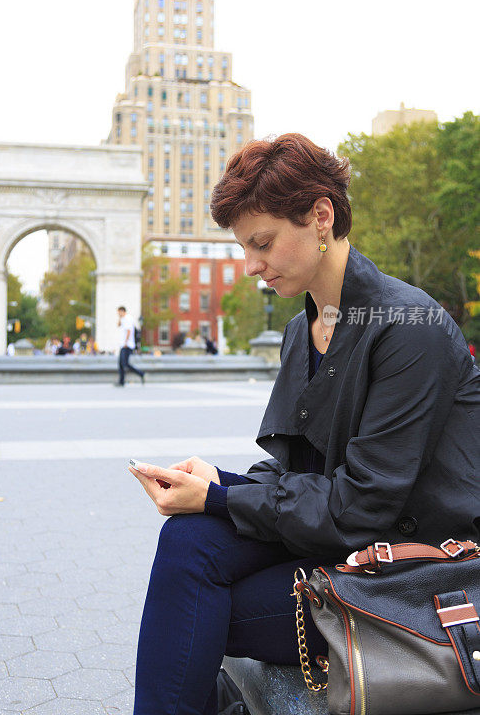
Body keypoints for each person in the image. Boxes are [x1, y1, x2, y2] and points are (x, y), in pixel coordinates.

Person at [128, 133, 480, 715]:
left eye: (261, 243)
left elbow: (361, 507)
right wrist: (217, 483)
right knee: (187, 542)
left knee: (201, 607)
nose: (250, 266)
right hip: (340, 542)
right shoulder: (306, 329)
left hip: (412, 566)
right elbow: (296, 468)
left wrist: (219, 498)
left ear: (321, 216)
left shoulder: (408, 325)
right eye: (243, 248)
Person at [116, 305, 145, 386]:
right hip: (123, 345)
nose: (118, 314)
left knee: (125, 364)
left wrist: (126, 342)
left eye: (119, 312)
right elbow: (118, 325)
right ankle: (121, 382)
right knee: (121, 364)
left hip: (127, 345)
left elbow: (129, 331)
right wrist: (120, 317)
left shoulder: (128, 319)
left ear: (122, 311)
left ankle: (141, 374)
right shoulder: (123, 319)